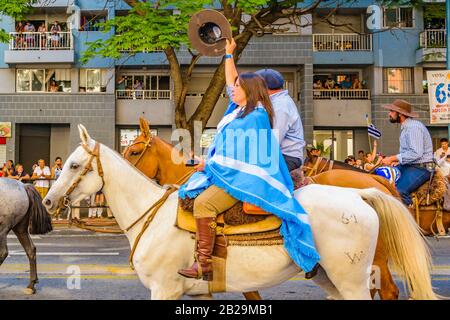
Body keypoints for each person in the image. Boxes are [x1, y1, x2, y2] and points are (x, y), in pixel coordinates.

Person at [177, 38, 320, 281]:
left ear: (251, 91)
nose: (232, 89)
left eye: (238, 87)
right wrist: (229, 55)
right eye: (234, 87)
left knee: (203, 204)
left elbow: (249, 156)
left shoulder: (258, 115)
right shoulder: (242, 110)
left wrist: (208, 164)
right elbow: (233, 81)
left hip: (253, 172)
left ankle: (204, 263)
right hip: (235, 167)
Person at [381, 99, 434, 206]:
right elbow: (408, 153)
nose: (389, 113)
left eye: (391, 111)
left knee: (399, 191)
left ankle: (409, 220)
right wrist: (399, 162)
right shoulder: (406, 127)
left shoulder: (413, 127)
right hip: (410, 166)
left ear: (400, 114)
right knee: (383, 180)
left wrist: (392, 158)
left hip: (422, 168)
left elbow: (416, 153)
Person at [254, 68, 306, 171]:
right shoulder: (275, 102)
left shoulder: (280, 106)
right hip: (279, 154)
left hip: (286, 157)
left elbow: (272, 139)